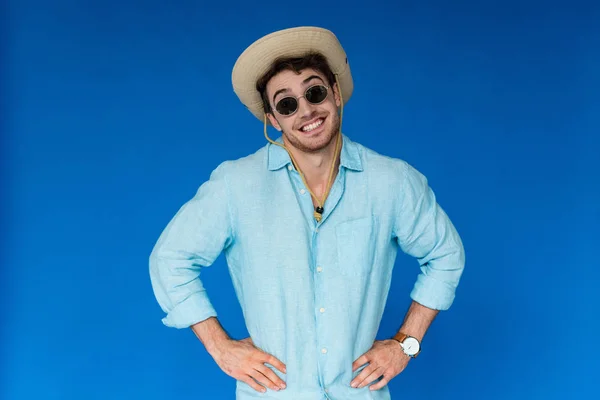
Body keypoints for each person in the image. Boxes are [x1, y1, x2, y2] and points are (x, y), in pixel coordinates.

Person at [149, 26, 465, 400]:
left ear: (334, 93)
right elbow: (170, 260)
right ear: (271, 119)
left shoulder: (393, 181)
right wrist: (220, 347)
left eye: (314, 93)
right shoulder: (235, 184)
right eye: (286, 104)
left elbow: (446, 254)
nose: (306, 111)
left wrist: (405, 343)